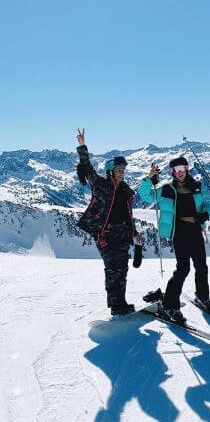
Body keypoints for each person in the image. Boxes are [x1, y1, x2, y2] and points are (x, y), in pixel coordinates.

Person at [139, 156, 210, 323]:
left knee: (202, 266)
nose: (179, 172)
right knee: (183, 269)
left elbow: (209, 202)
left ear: (187, 168)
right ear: (172, 172)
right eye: (176, 169)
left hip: (195, 231)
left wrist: (206, 213)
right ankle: (169, 304)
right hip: (179, 233)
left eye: (182, 168)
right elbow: (146, 196)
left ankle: (203, 296)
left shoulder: (197, 187)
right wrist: (148, 179)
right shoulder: (166, 189)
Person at [75, 128, 142, 315]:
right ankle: (115, 306)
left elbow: (128, 215)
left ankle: (121, 302)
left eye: (123, 170)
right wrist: (82, 146)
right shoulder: (101, 185)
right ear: (110, 172)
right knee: (113, 269)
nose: (122, 173)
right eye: (118, 170)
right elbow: (88, 169)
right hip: (105, 234)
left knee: (122, 269)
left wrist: (134, 233)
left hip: (122, 233)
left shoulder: (126, 192)